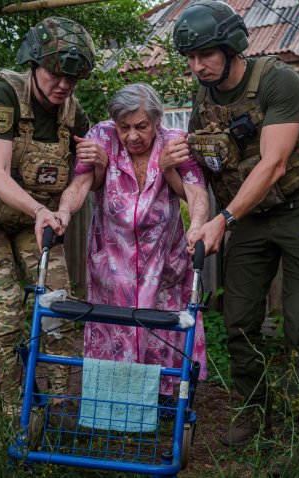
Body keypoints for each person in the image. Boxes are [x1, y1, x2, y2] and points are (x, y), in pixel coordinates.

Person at [172, 0, 299, 447]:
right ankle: (254, 411)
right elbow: (200, 171)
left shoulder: (278, 80)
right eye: (190, 57)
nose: (197, 66)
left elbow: (274, 164)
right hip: (247, 220)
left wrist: (224, 220)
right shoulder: (202, 98)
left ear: (230, 47)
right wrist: (197, 211)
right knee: (239, 319)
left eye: (205, 54)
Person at [0, 17, 95, 415]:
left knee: (59, 305)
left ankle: (61, 406)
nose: (63, 85)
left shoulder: (73, 114)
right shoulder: (4, 95)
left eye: (72, 78)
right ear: (34, 64)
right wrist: (43, 209)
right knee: (8, 308)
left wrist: (65, 205)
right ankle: (15, 412)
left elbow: (86, 174)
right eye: (54, 74)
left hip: (35, 218)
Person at [55, 83, 209, 411]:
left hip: (162, 259)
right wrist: (63, 213)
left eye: (141, 126)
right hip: (112, 260)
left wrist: (197, 226)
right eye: (124, 127)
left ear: (156, 121)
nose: (132, 136)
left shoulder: (174, 143)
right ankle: (112, 406)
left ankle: (166, 402)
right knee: (113, 330)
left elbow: (196, 192)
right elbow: (80, 185)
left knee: (161, 330)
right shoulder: (102, 137)